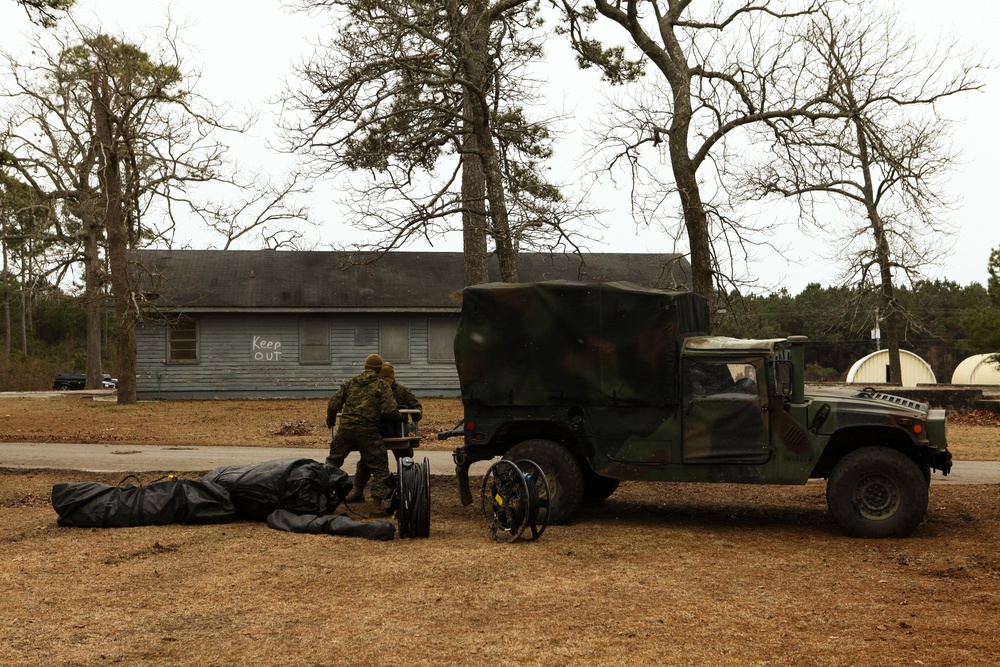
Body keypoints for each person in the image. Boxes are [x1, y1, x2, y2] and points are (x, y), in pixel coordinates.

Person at [326, 353, 402, 502]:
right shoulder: (382, 385)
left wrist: (331, 419)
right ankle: (377, 505)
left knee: (332, 463)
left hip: (345, 430)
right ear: (380, 369)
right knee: (380, 469)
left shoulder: (352, 382)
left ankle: (322, 496)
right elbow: (390, 411)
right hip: (368, 432)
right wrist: (400, 417)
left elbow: (333, 404)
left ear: (365, 367)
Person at [345, 361, 423, 503]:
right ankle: (358, 490)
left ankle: (408, 488)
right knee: (365, 462)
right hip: (374, 432)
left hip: (398, 432)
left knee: (405, 459)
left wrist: (412, 414)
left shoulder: (401, 390)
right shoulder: (373, 389)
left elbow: (417, 407)